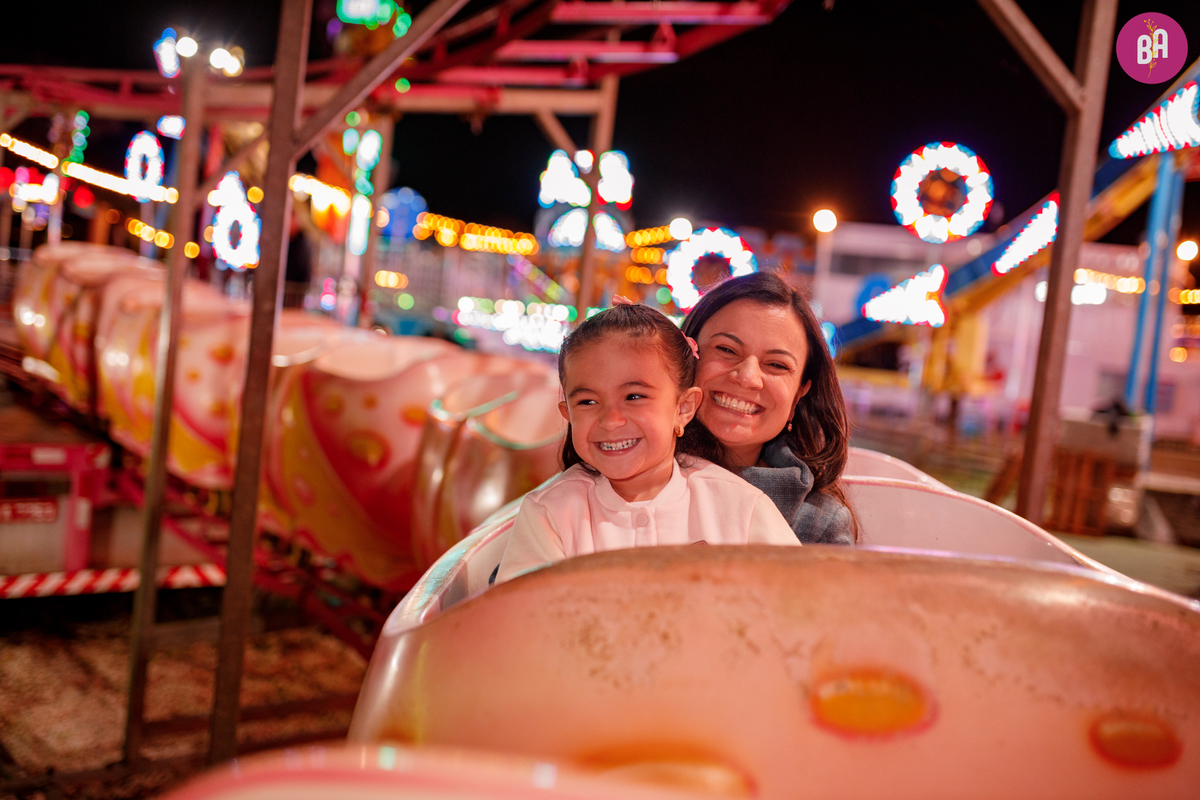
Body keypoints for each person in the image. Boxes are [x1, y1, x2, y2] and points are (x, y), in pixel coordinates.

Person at [495, 300, 799, 583]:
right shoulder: (550, 513)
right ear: (568, 414)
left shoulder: (740, 508)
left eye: (634, 397)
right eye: (588, 402)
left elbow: (804, 605)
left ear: (683, 408)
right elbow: (522, 621)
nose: (611, 420)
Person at [681, 272, 856, 545]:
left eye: (776, 365)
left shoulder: (817, 525)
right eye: (726, 349)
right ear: (685, 353)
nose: (748, 377)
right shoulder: (618, 463)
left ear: (799, 395)